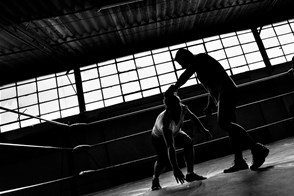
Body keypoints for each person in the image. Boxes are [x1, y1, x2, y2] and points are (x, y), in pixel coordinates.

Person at [168, 48, 269, 173]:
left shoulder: (200, 58)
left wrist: (175, 87)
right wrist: (210, 105)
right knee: (231, 130)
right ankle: (239, 161)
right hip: (222, 94)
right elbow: (211, 87)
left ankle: (257, 149)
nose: (182, 66)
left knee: (223, 123)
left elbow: (186, 74)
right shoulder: (199, 68)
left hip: (226, 91)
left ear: (186, 57)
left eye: (181, 63)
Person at [151, 89, 211, 190]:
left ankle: (190, 173)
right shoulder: (165, 123)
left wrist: (204, 129)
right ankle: (155, 179)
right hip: (159, 137)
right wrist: (175, 169)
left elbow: (193, 117)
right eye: (175, 110)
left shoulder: (182, 108)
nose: (178, 111)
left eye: (179, 107)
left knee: (188, 141)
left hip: (175, 132)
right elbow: (170, 147)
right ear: (169, 109)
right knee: (163, 160)